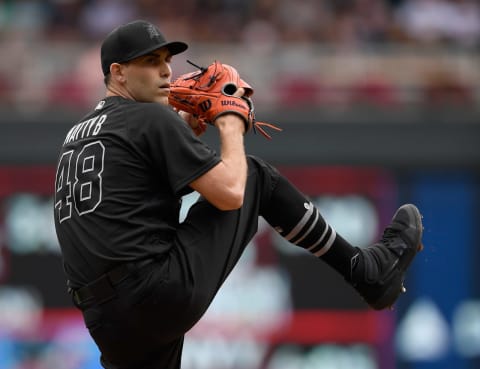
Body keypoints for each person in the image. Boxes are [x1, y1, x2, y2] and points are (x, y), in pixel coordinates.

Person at [53, 20, 423, 369]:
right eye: (151, 62)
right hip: (156, 292)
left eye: (166, 60)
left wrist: (183, 135)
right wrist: (232, 119)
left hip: (105, 321)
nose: (167, 71)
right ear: (118, 72)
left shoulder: (77, 136)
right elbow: (232, 193)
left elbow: (132, 193)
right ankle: (366, 272)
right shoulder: (150, 118)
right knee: (255, 177)